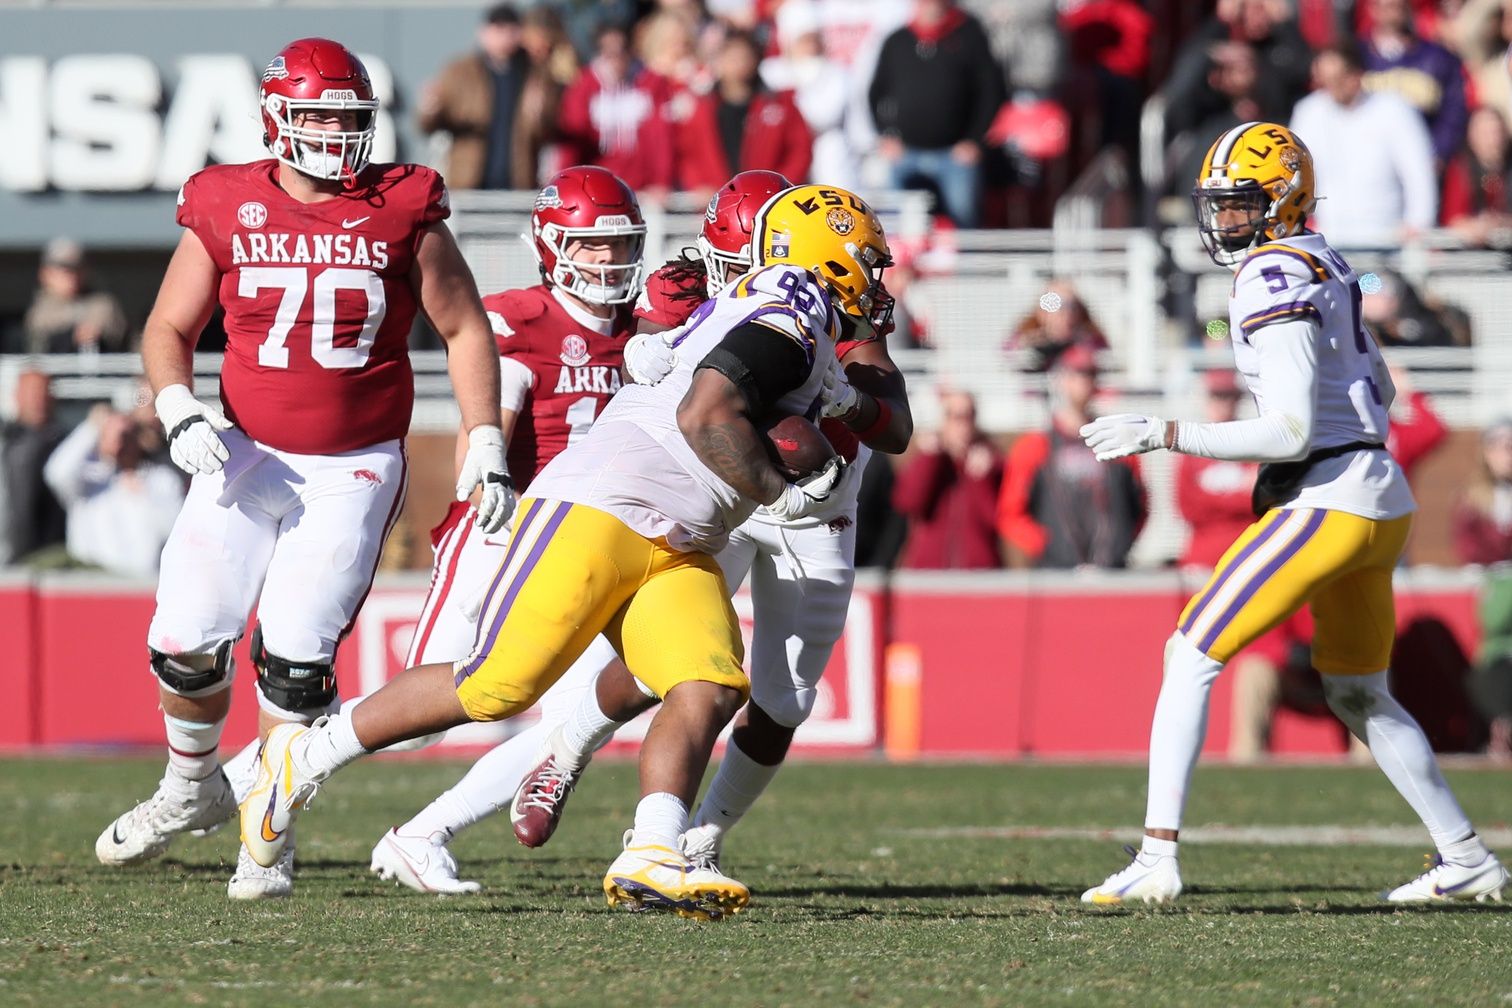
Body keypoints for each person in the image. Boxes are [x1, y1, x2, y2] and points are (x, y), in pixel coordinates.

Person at [235, 182, 885, 922]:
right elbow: (705, 413)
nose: (876, 274)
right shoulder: (789, 311)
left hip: (682, 537)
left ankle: (654, 851)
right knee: (493, 688)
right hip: (603, 508)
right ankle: (298, 760)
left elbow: (671, 359)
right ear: (823, 256)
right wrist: (779, 488)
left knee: (708, 683)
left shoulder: (775, 308)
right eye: (865, 258)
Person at [92, 37, 509, 902]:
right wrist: (176, 406)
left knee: (293, 665)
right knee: (185, 649)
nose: (334, 131)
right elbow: (168, 327)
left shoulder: (401, 203)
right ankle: (188, 789)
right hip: (244, 451)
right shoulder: (227, 199)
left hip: (350, 466)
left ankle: (268, 840)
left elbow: (465, 326)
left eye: (348, 117)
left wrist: (486, 438)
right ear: (277, 117)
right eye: (317, 113)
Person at [1078, 121, 1506, 905]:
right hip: (1377, 495)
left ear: (1281, 202)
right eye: (1221, 206)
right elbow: (1374, 390)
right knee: (1357, 691)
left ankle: (1156, 856)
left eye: (1240, 205)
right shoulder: (1323, 262)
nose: (1225, 221)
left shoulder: (1271, 273)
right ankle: (1466, 855)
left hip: (1330, 495)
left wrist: (1162, 432)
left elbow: (1290, 430)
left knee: (1189, 653)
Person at [499, 172, 913, 876]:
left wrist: (843, 406)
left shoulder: (826, 305)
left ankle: (701, 837)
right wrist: (639, 347)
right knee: (660, 659)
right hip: (718, 483)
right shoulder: (687, 288)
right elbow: (675, 389)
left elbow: (896, 425)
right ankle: (565, 751)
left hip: (815, 504)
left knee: (784, 696)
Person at [367, 166, 644, 893]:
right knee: (426, 711)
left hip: (592, 549)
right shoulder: (519, 319)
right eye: (592, 247)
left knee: (575, 721)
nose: (610, 262)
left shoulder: (648, 334)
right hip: (504, 531)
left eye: (620, 247)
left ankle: (422, 834)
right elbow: (482, 426)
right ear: (551, 246)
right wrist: (486, 477)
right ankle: (261, 772)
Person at [996, 344, 1147, 569]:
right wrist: (1049, 546)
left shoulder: (1120, 443)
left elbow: (1140, 505)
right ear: (1061, 380)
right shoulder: (1036, 446)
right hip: (1056, 573)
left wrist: (1120, 543)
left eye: (1090, 374)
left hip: (1111, 571)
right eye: (1077, 373)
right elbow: (1010, 514)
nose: (1084, 382)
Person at [868, 0, 1005, 227]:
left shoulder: (970, 35)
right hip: (906, 153)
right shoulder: (898, 40)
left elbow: (991, 92)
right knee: (900, 226)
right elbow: (876, 93)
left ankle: (966, 263)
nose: (931, 7)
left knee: (965, 218)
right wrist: (885, 135)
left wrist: (974, 141)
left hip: (955, 154)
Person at [1288, 42, 1437, 249]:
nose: (1331, 88)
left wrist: (1419, 224)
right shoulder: (1309, 112)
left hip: (1386, 241)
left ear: (1355, 75)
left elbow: (1418, 172)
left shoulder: (1394, 109)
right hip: (1329, 241)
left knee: (1370, 283)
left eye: (1338, 79)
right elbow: (1296, 175)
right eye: (1325, 80)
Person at [42, 402, 184, 578]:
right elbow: (56, 473)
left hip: (141, 584)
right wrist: (91, 427)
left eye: (126, 436)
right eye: (112, 435)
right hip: (89, 582)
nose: (119, 443)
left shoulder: (160, 479)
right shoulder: (87, 478)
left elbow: (175, 531)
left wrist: (144, 495)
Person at [676, 31, 814, 199]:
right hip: (715, 202)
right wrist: (699, 186)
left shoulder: (780, 105)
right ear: (719, 61)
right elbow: (687, 153)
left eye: (744, 57)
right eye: (731, 58)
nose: (738, 65)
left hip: (770, 202)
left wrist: (780, 187)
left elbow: (800, 150)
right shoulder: (701, 108)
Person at [416, 3, 538, 190]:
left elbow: (550, 126)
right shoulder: (461, 71)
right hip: (470, 183)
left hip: (519, 183)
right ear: (483, 32)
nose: (504, 36)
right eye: (498, 28)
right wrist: (430, 109)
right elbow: (428, 124)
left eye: (510, 29)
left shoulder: (533, 72)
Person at [892, 388, 1001, 569]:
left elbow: (996, 520)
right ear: (943, 420)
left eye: (968, 416)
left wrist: (982, 480)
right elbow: (907, 503)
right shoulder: (929, 459)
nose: (962, 424)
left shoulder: (992, 462)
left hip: (979, 573)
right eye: (955, 416)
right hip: (930, 570)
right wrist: (929, 460)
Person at [1361, 0, 1468, 166]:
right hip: (1370, 159)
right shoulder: (1357, 57)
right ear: (1373, 9)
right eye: (1386, 6)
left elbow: (1453, 109)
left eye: (1399, 6)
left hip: (1421, 156)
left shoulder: (1437, 58)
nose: (1393, 13)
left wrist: (1440, 152)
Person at [0, 369, 67, 565]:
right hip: (8, 550)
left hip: (50, 553)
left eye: (44, 393)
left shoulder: (64, 442)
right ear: (17, 396)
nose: (39, 400)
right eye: (32, 394)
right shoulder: (6, 441)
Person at [23, 238, 130, 356]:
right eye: (63, 269)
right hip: (56, 370)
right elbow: (37, 346)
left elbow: (120, 339)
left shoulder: (103, 303)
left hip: (101, 369)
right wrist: (70, 336)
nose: (71, 276)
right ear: (45, 273)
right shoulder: (39, 310)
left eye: (76, 268)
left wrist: (96, 334)